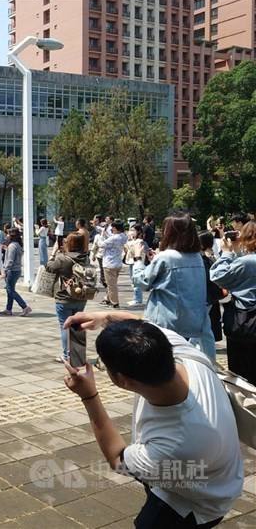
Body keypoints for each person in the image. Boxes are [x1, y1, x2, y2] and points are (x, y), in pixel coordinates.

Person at [62, 311, 243, 529]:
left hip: (192, 505)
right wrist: (104, 317)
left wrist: (89, 396)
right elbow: (143, 324)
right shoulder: (188, 356)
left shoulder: (176, 443)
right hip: (218, 477)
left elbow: (118, 460)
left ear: (122, 379)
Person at [132, 214, 216, 362]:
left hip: (166, 321)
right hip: (192, 320)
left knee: (163, 362)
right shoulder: (196, 257)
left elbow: (142, 282)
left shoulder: (166, 257)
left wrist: (138, 259)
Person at [210, 221, 256, 383]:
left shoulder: (247, 262)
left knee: (242, 373)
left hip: (244, 322)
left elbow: (217, 276)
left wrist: (227, 253)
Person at [46, 233, 89, 361]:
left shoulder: (63, 259)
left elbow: (49, 267)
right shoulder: (85, 258)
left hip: (64, 297)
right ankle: (79, 356)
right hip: (81, 296)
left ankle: (66, 356)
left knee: (65, 326)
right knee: (77, 326)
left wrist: (53, 253)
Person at [199, 231, 225, 345]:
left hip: (207, 296)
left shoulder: (205, 258)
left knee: (203, 329)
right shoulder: (206, 257)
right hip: (210, 296)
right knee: (205, 329)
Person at [0, 228, 31, 316]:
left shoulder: (12, 246)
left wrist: (5, 271)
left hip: (12, 270)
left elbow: (10, 261)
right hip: (17, 270)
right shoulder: (17, 245)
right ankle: (8, 309)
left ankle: (25, 307)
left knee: (10, 290)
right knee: (10, 290)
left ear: (10, 236)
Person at [96, 221, 127, 309]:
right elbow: (111, 239)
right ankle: (108, 299)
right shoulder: (123, 236)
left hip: (109, 264)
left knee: (111, 285)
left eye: (112, 228)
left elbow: (101, 244)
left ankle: (115, 303)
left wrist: (100, 236)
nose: (111, 229)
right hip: (117, 263)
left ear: (115, 228)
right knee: (112, 283)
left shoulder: (114, 238)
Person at [123, 224, 147, 306]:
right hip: (131, 262)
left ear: (138, 231)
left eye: (133, 230)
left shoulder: (140, 241)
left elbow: (138, 252)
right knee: (133, 281)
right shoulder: (131, 241)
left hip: (137, 263)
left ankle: (138, 299)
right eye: (130, 230)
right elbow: (126, 250)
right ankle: (136, 298)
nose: (131, 232)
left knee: (136, 281)